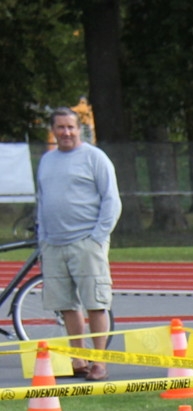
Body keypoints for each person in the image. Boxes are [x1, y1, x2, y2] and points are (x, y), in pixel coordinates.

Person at [35, 107, 120, 381]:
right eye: (60, 127)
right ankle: (78, 359)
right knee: (67, 306)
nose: (66, 132)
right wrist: (43, 240)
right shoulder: (47, 161)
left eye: (71, 127)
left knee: (95, 303)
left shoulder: (95, 158)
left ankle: (99, 362)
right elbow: (42, 202)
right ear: (54, 130)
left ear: (79, 129)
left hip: (86, 242)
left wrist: (97, 237)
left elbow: (111, 200)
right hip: (54, 245)